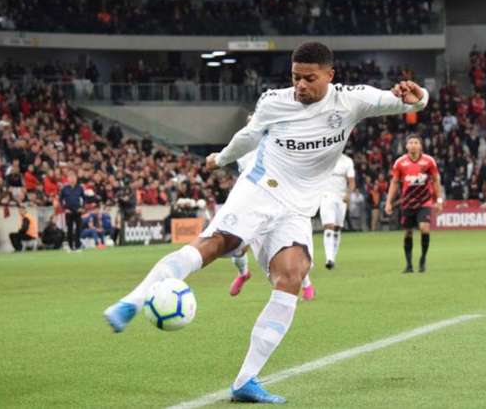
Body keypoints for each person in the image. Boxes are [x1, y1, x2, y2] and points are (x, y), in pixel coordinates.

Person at [103, 41, 428, 403]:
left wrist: (419, 94)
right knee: (218, 243)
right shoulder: (275, 101)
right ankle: (132, 301)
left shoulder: (350, 100)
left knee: (292, 274)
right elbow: (248, 137)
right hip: (261, 188)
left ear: (329, 75)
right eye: (295, 78)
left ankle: (245, 381)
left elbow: (407, 101)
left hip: (297, 208)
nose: (301, 85)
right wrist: (220, 158)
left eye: (309, 78)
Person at [228, 133, 315, 300]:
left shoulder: (279, 144)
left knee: (291, 245)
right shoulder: (243, 151)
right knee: (238, 246)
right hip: (253, 200)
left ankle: (306, 284)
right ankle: (243, 273)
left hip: (280, 199)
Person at [384, 134, 443, 273]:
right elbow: (394, 183)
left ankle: (423, 259)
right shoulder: (400, 163)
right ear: (406, 146)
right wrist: (388, 202)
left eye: (416, 142)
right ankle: (409, 265)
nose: (413, 145)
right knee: (408, 233)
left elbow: (435, 181)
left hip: (424, 202)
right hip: (407, 203)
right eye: (410, 142)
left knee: (424, 228)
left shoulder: (429, 161)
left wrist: (439, 200)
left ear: (420, 145)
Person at [320, 154, 356, 269]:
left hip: (341, 198)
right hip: (326, 196)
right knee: (329, 226)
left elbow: (351, 181)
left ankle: (333, 258)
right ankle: (328, 258)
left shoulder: (347, 161)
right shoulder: (323, 158)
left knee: (337, 228)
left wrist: (348, 194)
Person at [60, 173, 84, 251]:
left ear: (76, 179)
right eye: (71, 177)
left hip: (78, 211)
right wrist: (64, 209)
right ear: (68, 179)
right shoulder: (64, 189)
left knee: (78, 229)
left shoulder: (80, 188)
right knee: (69, 229)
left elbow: (85, 198)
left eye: (74, 177)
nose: (72, 179)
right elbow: (60, 200)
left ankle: (78, 245)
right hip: (69, 211)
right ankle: (70, 246)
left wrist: (82, 207)